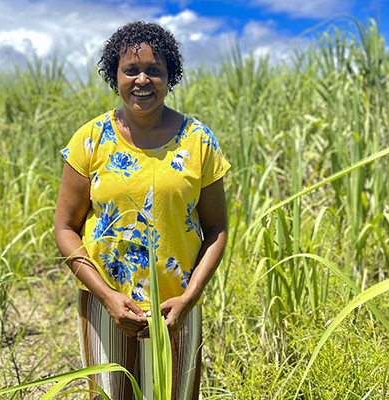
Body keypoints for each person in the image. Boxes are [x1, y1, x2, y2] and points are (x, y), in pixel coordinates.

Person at [54, 20, 230, 400]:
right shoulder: (90, 139)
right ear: (114, 76)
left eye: (155, 70)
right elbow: (66, 228)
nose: (142, 80)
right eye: (131, 70)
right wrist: (106, 297)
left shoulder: (198, 140)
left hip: (175, 311)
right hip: (108, 307)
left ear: (171, 77)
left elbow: (217, 229)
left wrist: (189, 298)